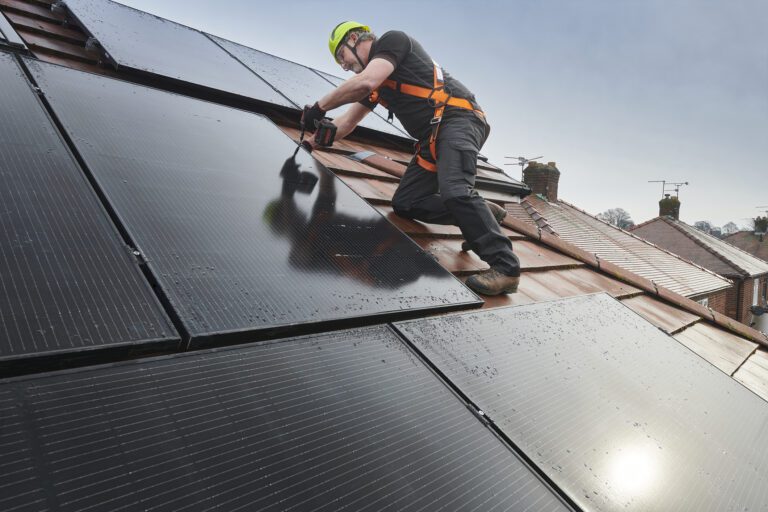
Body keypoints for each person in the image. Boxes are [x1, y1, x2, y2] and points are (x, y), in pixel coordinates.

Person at [302, 21, 521, 295]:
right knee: (407, 203)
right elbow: (346, 123)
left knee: (455, 190)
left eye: (341, 57)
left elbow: (364, 82)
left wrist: (320, 106)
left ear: (355, 39)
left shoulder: (393, 42)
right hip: (432, 140)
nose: (343, 66)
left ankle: (506, 268)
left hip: (459, 120)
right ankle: (484, 214)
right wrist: (311, 144)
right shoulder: (377, 82)